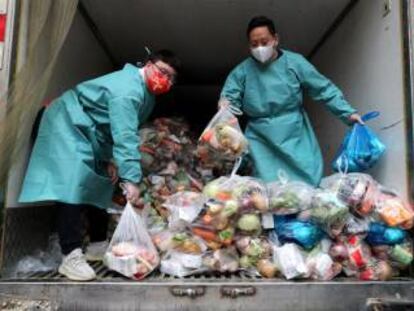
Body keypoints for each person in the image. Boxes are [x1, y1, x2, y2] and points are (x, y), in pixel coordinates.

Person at [19, 49, 180, 281]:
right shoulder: (129, 91)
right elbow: (124, 136)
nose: (165, 80)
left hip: (86, 130)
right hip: (64, 123)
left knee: (101, 181)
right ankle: (70, 256)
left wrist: (109, 161)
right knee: (72, 186)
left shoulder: (146, 95)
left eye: (171, 78)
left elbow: (111, 128)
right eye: (163, 72)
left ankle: (97, 246)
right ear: (148, 64)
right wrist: (131, 179)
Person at [219, 16, 363, 185]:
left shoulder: (295, 63)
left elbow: (323, 89)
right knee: (269, 188)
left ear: (275, 39)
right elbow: (229, 97)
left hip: (294, 132)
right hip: (260, 137)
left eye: (264, 42)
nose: (259, 48)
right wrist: (224, 106)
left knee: (306, 179)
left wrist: (348, 113)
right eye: (254, 44)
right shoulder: (242, 72)